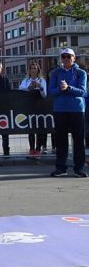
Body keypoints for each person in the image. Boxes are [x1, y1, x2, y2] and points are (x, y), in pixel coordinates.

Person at [48, 48, 87, 177]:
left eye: (68, 56)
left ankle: (79, 168)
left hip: (76, 109)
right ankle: (61, 168)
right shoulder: (55, 73)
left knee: (78, 140)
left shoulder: (81, 73)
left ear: (74, 58)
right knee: (61, 140)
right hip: (60, 110)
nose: (66, 59)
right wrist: (60, 88)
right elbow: (51, 92)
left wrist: (68, 88)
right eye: (63, 57)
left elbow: (82, 91)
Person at [18, 62, 47, 158]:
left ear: (38, 70)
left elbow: (45, 95)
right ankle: (31, 148)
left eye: (35, 68)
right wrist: (29, 88)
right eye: (32, 68)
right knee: (31, 129)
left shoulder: (42, 80)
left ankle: (38, 149)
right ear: (29, 70)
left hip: (39, 107)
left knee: (39, 128)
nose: (33, 70)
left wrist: (40, 87)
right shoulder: (26, 80)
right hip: (29, 107)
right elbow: (20, 89)